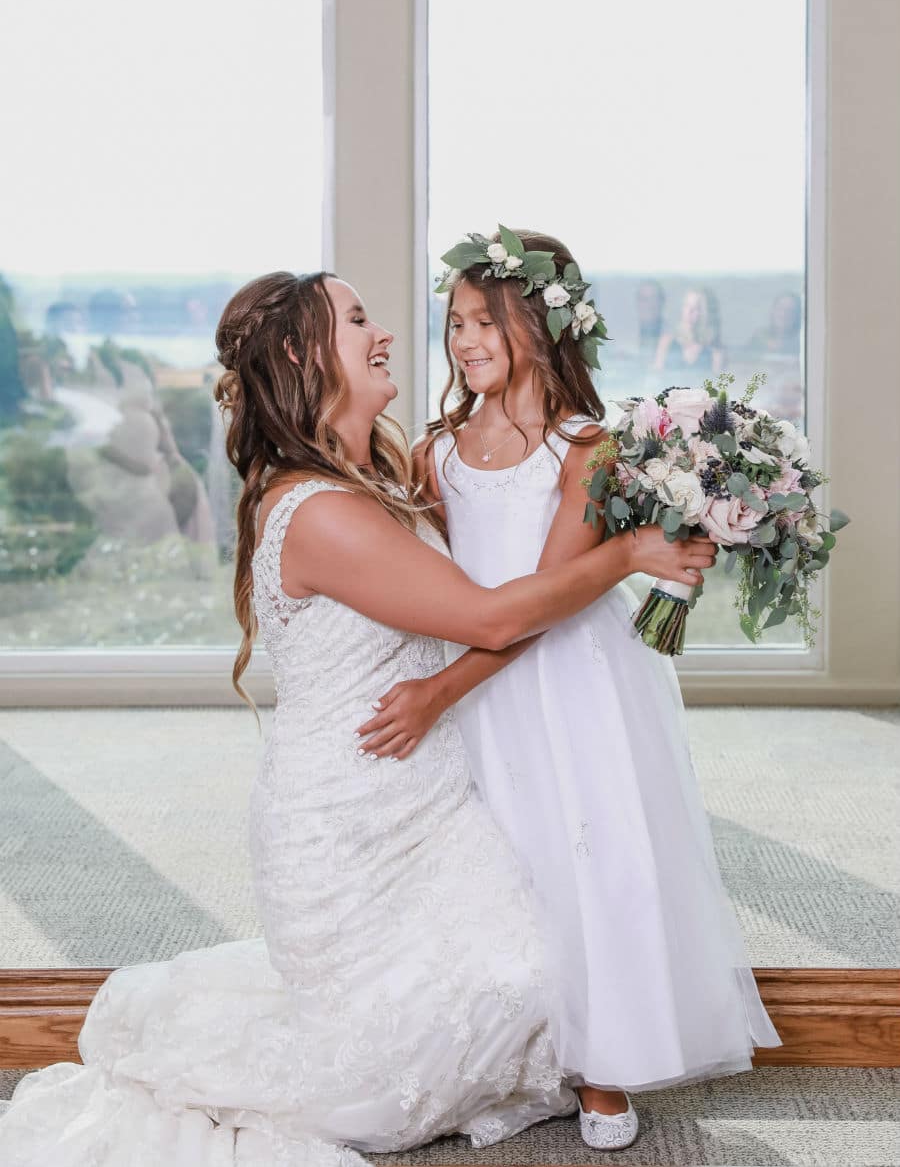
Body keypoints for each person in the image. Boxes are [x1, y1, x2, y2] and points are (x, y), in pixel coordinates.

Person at [0, 270, 717, 1165]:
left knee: (540, 968)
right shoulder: (323, 511)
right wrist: (630, 553)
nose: (388, 333)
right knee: (397, 1066)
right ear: (305, 354)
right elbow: (491, 615)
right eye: (358, 319)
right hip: (346, 819)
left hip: (421, 793)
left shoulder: (376, 468)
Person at [356, 230, 782, 1151]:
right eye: (455, 323)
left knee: (590, 854)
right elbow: (448, 591)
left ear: (543, 330)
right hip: (477, 682)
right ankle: (505, 1046)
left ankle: (605, 1062)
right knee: (500, 860)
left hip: (571, 678)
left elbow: (540, 606)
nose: (464, 341)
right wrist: (429, 687)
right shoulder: (436, 455)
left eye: (484, 322)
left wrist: (440, 695)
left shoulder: (584, 449)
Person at [653, 285, 725, 383]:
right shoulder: (666, 342)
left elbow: (717, 390)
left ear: (706, 313)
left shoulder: (715, 353)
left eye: (697, 308)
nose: (689, 312)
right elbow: (655, 380)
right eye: (686, 305)